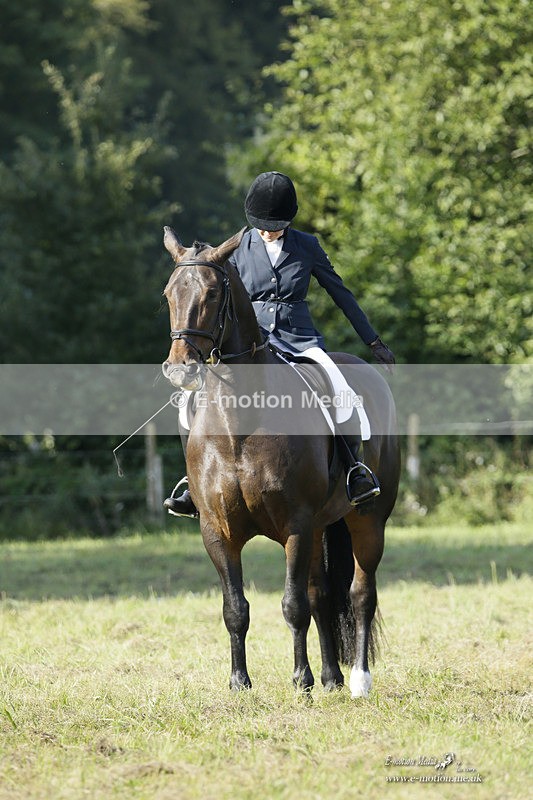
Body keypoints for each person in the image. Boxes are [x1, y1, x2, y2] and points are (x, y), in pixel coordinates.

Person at [164, 171, 395, 517]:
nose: (269, 231)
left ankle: (353, 471)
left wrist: (372, 339)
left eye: (276, 225)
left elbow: (341, 294)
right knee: (188, 401)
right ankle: (191, 481)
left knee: (340, 390)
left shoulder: (307, 246)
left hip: (300, 340)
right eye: (263, 225)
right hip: (251, 342)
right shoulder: (237, 249)